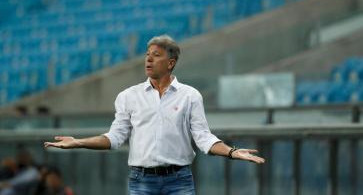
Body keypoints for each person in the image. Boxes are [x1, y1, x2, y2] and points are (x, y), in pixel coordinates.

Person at [44, 35, 265, 195]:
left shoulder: (190, 96)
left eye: (156, 55)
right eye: (147, 55)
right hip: (141, 182)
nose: (148, 60)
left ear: (171, 63)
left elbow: (203, 138)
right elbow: (114, 138)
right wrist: (78, 142)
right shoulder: (128, 96)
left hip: (180, 180)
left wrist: (232, 152)